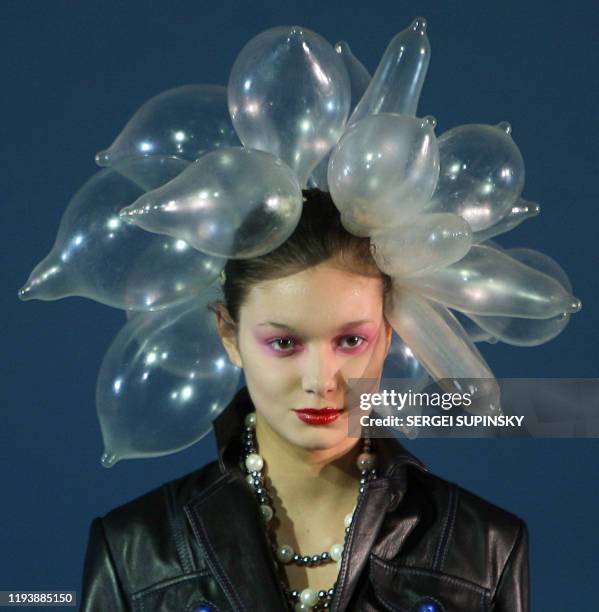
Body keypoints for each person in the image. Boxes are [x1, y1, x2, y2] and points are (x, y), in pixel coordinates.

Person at [80, 189, 529, 611]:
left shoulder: (484, 548)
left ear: (389, 334)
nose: (321, 380)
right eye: (283, 343)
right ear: (228, 334)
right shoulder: (133, 551)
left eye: (351, 340)